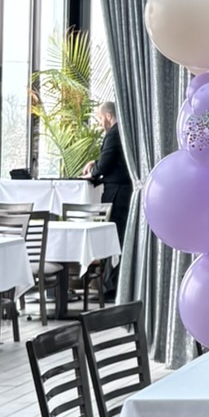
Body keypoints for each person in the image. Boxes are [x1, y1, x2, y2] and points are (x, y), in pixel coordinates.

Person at [85, 101, 132, 296]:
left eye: (99, 118)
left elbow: (106, 164)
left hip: (116, 193)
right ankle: (110, 283)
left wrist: (93, 172)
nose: (99, 122)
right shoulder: (122, 132)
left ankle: (110, 286)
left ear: (108, 116)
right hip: (120, 191)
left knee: (114, 237)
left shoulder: (114, 134)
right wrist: (95, 162)